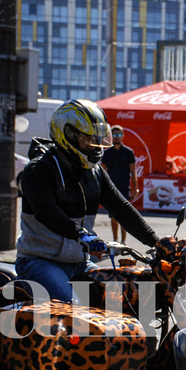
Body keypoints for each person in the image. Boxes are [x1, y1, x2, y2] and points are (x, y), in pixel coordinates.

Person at [16, 99, 159, 303]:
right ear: (67, 136)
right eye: (88, 139)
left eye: (98, 138)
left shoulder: (95, 173)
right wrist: (84, 236)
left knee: (123, 300)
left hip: (80, 263)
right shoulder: (38, 170)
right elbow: (46, 212)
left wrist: (156, 241)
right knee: (76, 313)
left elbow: (122, 209)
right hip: (40, 262)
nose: (95, 146)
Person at [101, 125, 139, 243]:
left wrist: (135, 189)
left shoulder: (128, 152)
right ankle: (115, 240)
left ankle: (123, 241)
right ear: (111, 137)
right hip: (110, 188)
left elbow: (133, 172)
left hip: (124, 188)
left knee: (124, 216)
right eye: (114, 135)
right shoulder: (107, 153)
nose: (117, 137)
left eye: (119, 135)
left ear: (123, 136)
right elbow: (101, 171)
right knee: (113, 216)